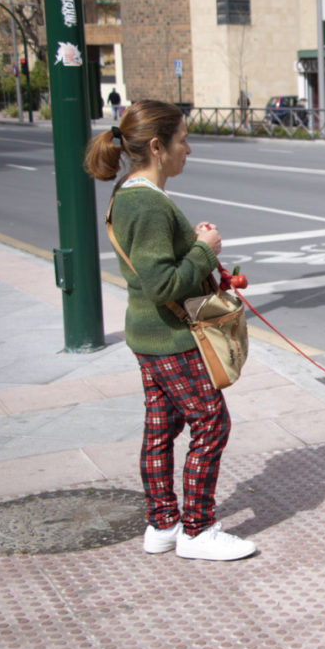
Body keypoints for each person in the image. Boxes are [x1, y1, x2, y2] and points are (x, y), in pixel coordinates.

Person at [83, 100, 256, 562]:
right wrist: (204, 249)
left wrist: (193, 246)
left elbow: (152, 268)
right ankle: (197, 529)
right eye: (183, 140)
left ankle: (162, 524)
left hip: (148, 334)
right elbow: (162, 285)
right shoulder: (146, 204)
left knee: (161, 426)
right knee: (211, 422)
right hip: (171, 337)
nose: (189, 149)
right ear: (158, 147)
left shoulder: (132, 193)